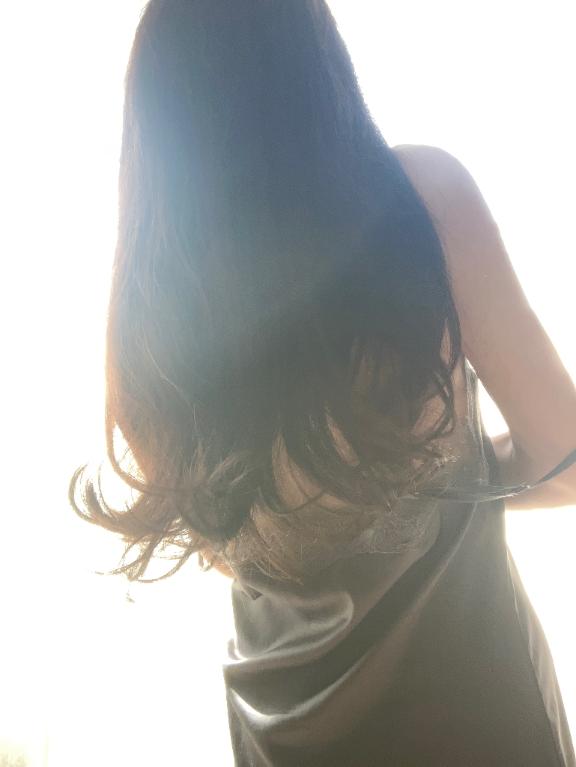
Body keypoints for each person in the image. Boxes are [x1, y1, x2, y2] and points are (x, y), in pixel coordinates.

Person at [68, 1, 576, 764]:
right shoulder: (419, 205)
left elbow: (228, 536)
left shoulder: (151, 312)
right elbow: (565, 458)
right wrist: (441, 473)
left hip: (281, 736)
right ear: (317, 58)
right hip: (477, 718)